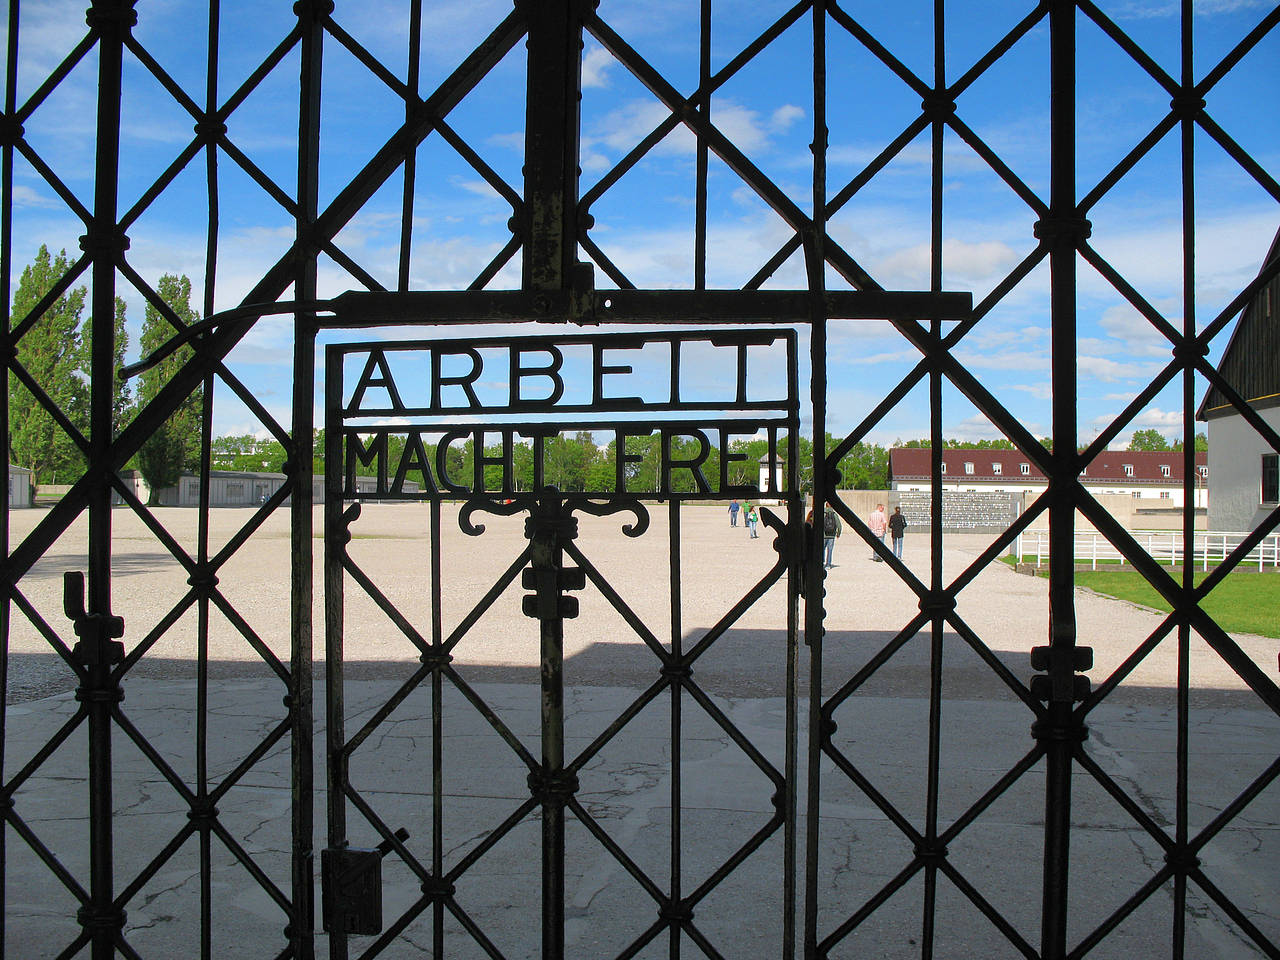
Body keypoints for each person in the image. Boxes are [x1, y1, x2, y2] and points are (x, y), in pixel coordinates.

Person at [822, 504, 841, 568]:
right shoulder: (834, 514)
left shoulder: (822, 513)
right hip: (832, 535)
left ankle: (821, 563)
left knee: (822, 549)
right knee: (830, 550)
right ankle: (828, 564)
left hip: (823, 535)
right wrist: (838, 534)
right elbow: (839, 525)